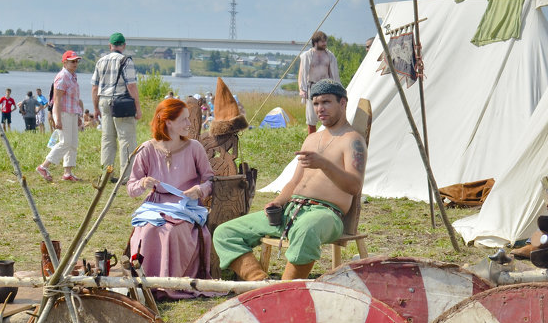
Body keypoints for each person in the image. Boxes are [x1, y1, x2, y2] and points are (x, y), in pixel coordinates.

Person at [213, 79, 366, 281]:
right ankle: (261, 284)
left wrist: (324, 164)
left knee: (307, 229)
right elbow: (294, 183)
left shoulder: (352, 140)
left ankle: (285, 290)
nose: (320, 109)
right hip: (291, 210)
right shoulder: (312, 139)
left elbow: (354, 186)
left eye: (326, 102)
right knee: (225, 232)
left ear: (343, 103)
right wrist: (278, 201)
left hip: (325, 214)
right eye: (316, 104)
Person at [127, 98, 215, 299]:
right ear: (168, 122)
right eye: (183, 120)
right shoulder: (147, 149)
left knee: (170, 233)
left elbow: (210, 180)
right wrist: (142, 184)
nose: (189, 124)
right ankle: (147, 287)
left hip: (185, 208)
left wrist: (199, 190)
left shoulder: (194, 148)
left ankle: (170, 286)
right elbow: (131, 188)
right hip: (155, 207)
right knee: (147, 231)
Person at [92, 32, 141, 178]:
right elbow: (131, 86)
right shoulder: (126, 61)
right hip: (121, 103)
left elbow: (94, 87)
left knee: (107, 138)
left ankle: (106, 174)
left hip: (104, 101)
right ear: (124, 45)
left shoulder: (101, 61)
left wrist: (95, 108)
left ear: (110, 46)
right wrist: (138, 108)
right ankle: (126, 176)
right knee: (126, 139)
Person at [36, 51, 84, 182]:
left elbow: (74, 99)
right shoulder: (62, 77)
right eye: (72, 61)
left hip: (72, 112)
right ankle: (44, 166)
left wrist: (79, 114)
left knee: (73, 143)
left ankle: (68, 172)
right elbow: (57, 100)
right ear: (64, 62)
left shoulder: (73, 76)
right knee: (65, 142)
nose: (75, 64)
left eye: (76, 61)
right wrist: (57, 119)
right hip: (64, 113)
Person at [297, 31, 338, 134]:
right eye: (322, 41)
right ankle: (312, 142)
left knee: (329, 115)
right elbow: (302, 74)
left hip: (326, 88)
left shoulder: (330, 56)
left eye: (325, 41)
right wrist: (302, 89)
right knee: (311, 119)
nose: (325, 44)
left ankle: (329, 139)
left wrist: (337, 89)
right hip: (312, 88)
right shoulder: (307, 56)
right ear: (315, 42)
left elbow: (334, 75)